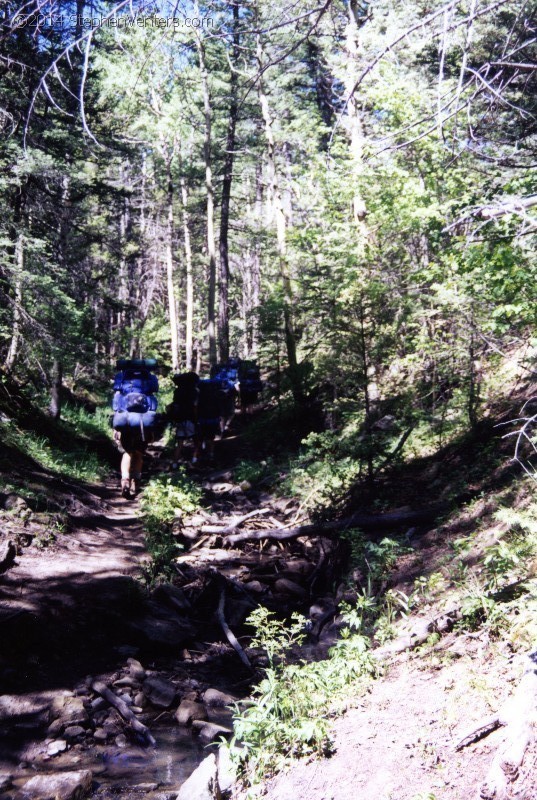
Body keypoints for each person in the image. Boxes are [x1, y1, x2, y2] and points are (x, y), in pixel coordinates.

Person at [111, 358, 159, 499]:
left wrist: (116, 429)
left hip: (125, 421)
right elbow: (153, 406)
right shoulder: (149, 383)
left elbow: (116, 407)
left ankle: (124, 480)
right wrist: (152, 431)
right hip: (143, 423)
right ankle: (135, 482)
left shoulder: (121, 385)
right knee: (138, 453)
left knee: (127, 452)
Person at [168, 371, 199, 468]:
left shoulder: (178, 391)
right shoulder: (194, 391)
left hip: (180, 419)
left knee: (180, 443)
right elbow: (195, 406)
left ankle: (174, 463)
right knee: (196, 440)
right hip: (190, 419)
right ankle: (194, 459)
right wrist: (196, 419)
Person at [193, 378, 221, 464]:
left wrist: (195, 418)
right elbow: (219, 409)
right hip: (213, 420)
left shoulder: (199, 396)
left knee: (200, 438)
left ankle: (195, 457)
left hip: (202, 420)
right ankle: (211, 455)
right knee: (211, 438)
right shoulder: (216, 395)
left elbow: (195, 407)